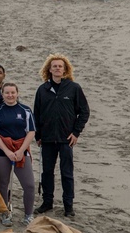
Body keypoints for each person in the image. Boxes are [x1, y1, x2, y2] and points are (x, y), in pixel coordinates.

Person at [33, 54, 90, 217]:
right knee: (47, 172)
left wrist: (76, 132)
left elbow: (84, 112)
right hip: (47, 138)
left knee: (66, 172)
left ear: (65, 69)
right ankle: (47, 202)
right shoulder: (42, 89)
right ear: (49, 70)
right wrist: (38, 134)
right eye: (54, 66)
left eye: (60, 66)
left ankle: (68, 205)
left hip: (66, 139)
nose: (57, 68)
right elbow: (36, 114)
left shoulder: (73, 88)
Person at [0, 82, 36, 226]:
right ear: (2, 94)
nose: (10, 95)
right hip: (1, 151)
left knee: (29, 185)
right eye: (7, 93)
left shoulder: (25, 110)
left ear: (17, 93)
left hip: (21, 150)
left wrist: (21, 150)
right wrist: (7, 151)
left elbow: (31, 132)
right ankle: (5, 212)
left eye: (12, 92)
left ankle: (28, 214)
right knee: (3, 184)